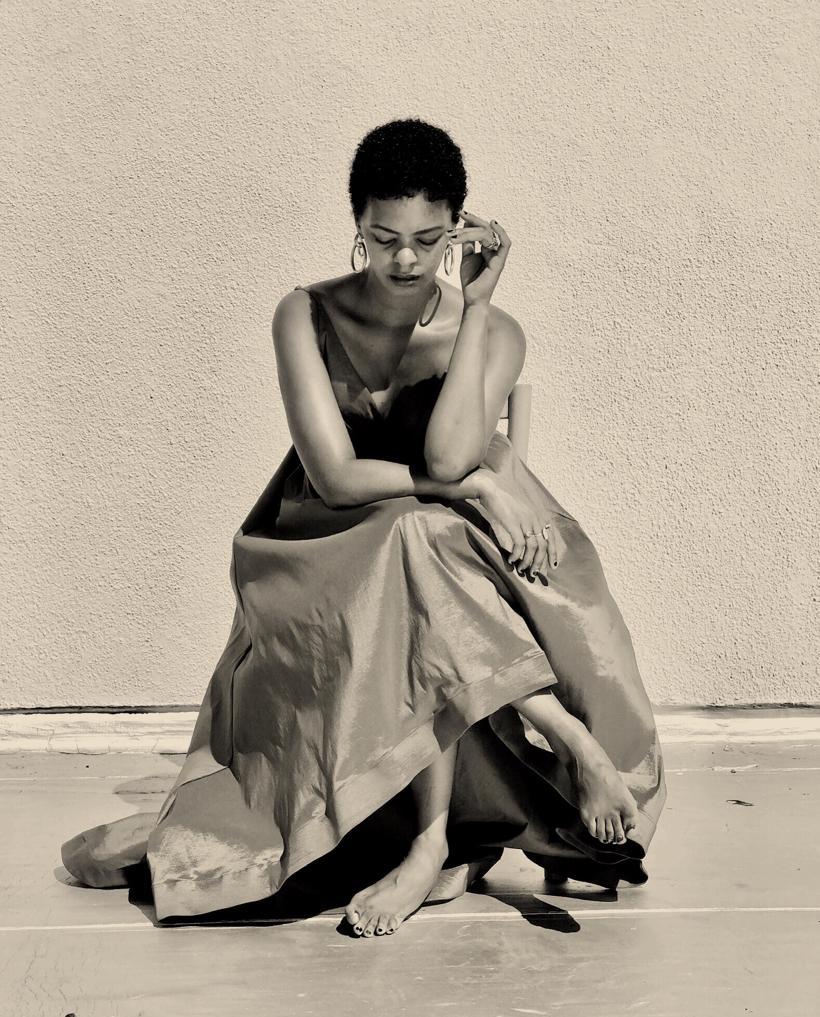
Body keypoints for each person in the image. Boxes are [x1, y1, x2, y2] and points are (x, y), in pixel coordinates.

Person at [61, 117, 666, 939]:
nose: (405, 261)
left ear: (458, 231)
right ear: (357, 225)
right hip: (326, 538)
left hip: (459, 536)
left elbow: (449, 455)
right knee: (412, 540)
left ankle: (430, 843)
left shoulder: (494, 331)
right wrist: (476, 486)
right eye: (384, 239)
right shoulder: (303, 314)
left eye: (426, 240)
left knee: (423, 541)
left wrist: (477, 309)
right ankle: (555, 737)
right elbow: (336, 476)